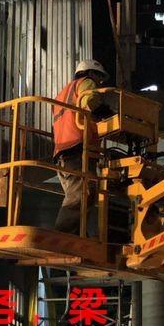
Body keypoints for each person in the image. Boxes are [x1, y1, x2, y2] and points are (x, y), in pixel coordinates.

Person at [52, 59, 109, 233]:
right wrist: (110, 114)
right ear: (91, 73)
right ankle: (63, 237)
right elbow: (90, 102)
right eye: (99, 77)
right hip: (78, 148)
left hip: (62, 153)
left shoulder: (62, 93)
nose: (99, 83)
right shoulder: (86, 83)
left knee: (79, 197)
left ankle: (77, 235)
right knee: (82, 195)